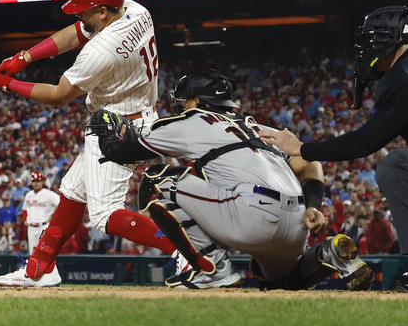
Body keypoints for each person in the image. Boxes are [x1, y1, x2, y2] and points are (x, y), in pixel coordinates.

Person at [94, 69, 373, 290]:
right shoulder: (257, 126)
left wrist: (106, 134)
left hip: (252, 213)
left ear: (199, 102)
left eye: (185, 100)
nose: (181, 105)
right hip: (299, 220)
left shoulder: (190, 121)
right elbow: (309, 162)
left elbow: (122, 152)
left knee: (155, 180)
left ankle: (213, 268)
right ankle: (327, 254)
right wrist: (314, 204)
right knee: (280, 282)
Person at [0, 0, 175, 287]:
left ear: (102, 11)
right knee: (72, 192)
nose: (77, 14)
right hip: (132, 115)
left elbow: (59, 96)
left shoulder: (102, 49)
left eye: (83, 9)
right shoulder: (135, 9)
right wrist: (24, 56)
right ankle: (37, 270)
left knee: (104, 215)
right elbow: (77, 32)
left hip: (118, 126)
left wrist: (7, 83)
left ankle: (190, 251)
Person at [260, 6, 408, 293]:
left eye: (373, 39)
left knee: (396, 166)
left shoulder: (406, 74)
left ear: (391, 39)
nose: (368, 48)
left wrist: (303, 148)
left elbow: (368, 141)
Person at [23, 171, 60, 254]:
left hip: (43, 227)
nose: (36, 183)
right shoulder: (28, 195)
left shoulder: (49, 194)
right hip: (31, 228)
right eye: (34, 181)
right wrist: (25, 219)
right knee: (33, 254)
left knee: (46, 254)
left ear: (42, 182)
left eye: (38, 181)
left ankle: (53, 268)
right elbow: (25, 209)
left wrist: (53, 215)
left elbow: (61, 204)